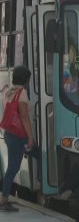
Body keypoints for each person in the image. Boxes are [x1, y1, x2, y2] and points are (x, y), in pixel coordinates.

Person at [0, 66, 33, 212]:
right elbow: (24, 117)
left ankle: (4, 198)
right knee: (13, 167)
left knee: (35, 154)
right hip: (19, 135)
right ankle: (4, 199)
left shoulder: (9, 91)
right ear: (26, 79)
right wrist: (30, 137)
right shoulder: (22, 93)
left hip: (9, 133)